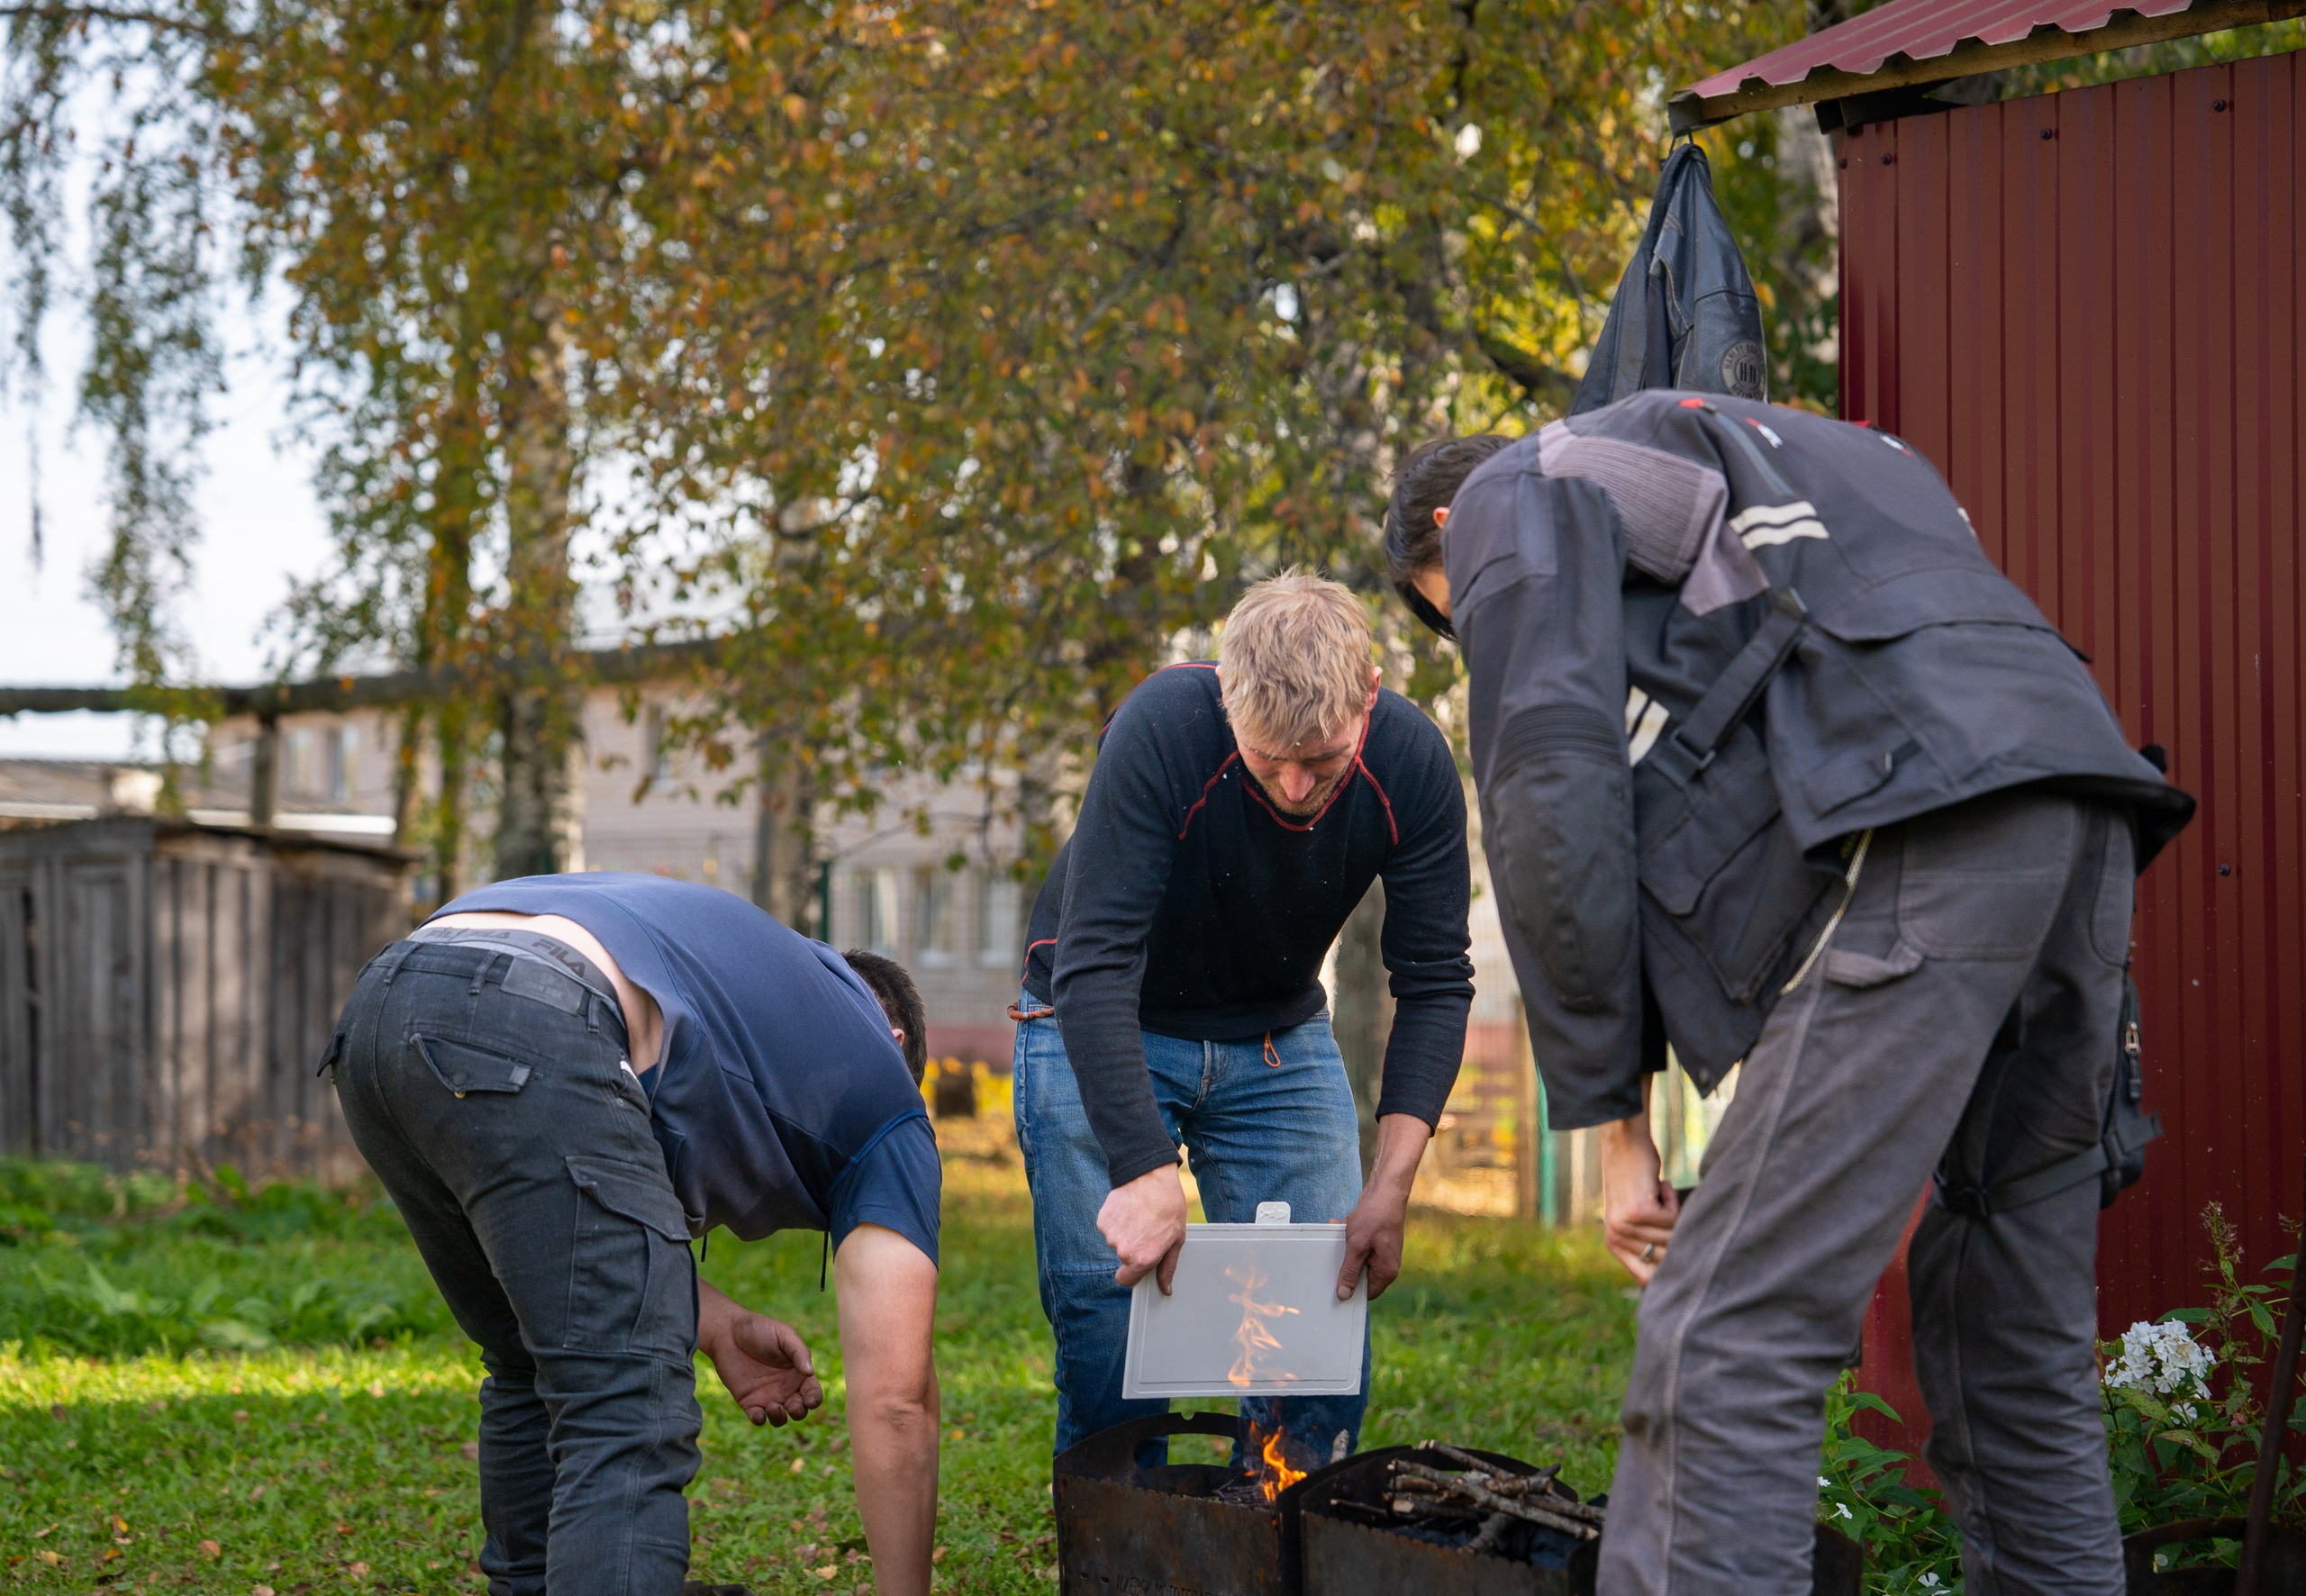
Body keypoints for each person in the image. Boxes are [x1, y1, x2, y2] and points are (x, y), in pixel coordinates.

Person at [1385, 395, 2193, 1596]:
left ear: (1453, 528)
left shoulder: (1514, 492)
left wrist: (1615, 1124)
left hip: (1931, 822)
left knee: (1725, 1338)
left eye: (1464, 616)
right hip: (2079, 806)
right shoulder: (1821, 450)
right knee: (2011, 1348)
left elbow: (1549, 788)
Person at [323, 874, 942, 1596]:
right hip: (535, 1012)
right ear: (895, 1041)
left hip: (384, 1005)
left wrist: (716, 1323)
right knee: (624, 1407)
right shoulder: (883, 1091)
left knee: (529, 1355)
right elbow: (897, 1400)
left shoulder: (731, 993)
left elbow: (580, 1238)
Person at [1014, 570, 1475, 1474]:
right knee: (1111, 1326)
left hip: (1274, 1034)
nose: (1296, 786)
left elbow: (1434, 982)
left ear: (1369, 695)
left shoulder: (1412, 763)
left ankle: (1278, 1524)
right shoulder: (1163, 727)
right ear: (1227, 696)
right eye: (1269, 759)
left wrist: (1391, 1186)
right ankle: (1123, 1539)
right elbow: (1094, 961)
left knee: (1318, 1324)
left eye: (1323, 761)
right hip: (1099, 1015)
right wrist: (1143, 1165)